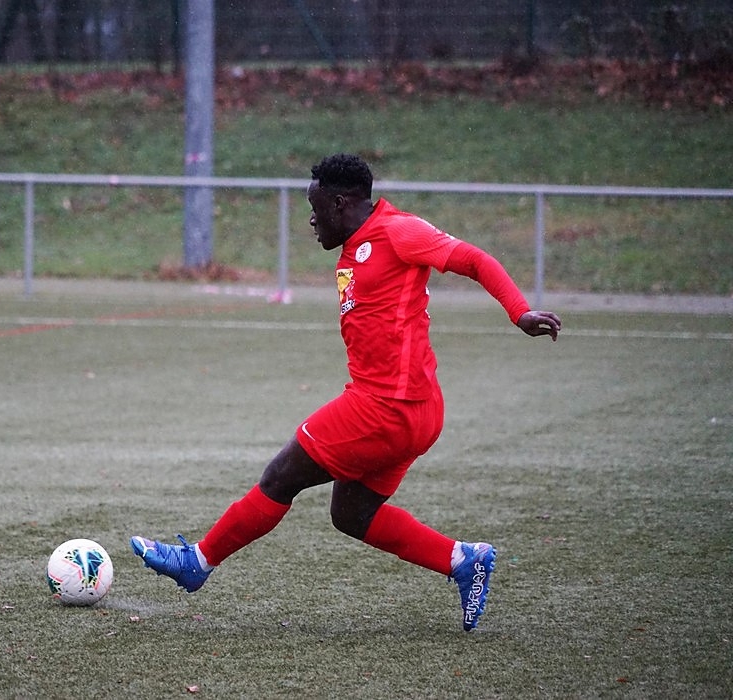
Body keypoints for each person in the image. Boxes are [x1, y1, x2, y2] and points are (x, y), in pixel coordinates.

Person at [131, 153, 561, 631]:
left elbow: (475, 259)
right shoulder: (356, 246)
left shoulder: (399, 231)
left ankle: (197, 562)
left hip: (386, 408)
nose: (311, 220)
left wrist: (519, 312)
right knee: (352, 513)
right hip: (414, 410)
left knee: (281, 476)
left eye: (316, 208)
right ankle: (462, 559)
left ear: (339, 203)